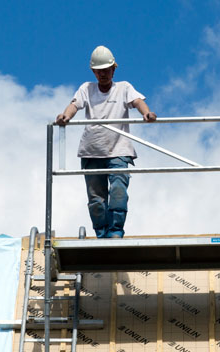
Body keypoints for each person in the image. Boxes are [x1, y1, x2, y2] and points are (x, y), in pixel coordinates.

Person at [56, 45, 156, 239]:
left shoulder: (124, 88)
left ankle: (116, 231)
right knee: (96, 200)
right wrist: (65, 116)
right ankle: (102, 233)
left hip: (119, 150)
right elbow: (74, 105)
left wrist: (147, 113)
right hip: (92, 151)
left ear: (114, 69)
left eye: (106, 70)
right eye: (99, 71)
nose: (103, 74)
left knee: (118, 191)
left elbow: (137, 102)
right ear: (93, 71)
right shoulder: (87, 88)